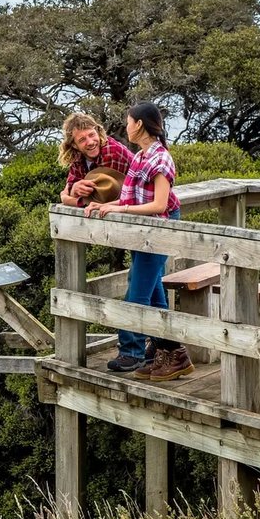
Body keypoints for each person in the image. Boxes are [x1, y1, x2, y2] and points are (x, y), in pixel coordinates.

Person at [84, 102, 194, 382]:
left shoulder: (160, 159)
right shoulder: (140, 156)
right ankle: (173, 355)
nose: (126, 126)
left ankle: (133, 353)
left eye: (128, 121)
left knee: (137, 295)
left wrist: (120, 209)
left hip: (158, 230)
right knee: (154, 292)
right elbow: (131, 196)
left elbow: (159, 205)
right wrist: (102, 205)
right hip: (141, 232)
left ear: (140, 125)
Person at [58, 113, 133, 207]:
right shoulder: (77, 157)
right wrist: (74, 189)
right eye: (82, 140)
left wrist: (66, 199)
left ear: (97, 132)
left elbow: (100, 200)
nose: (90, 142)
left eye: (92, 135)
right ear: (74, 145)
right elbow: (70, 189)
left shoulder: (111, 152)